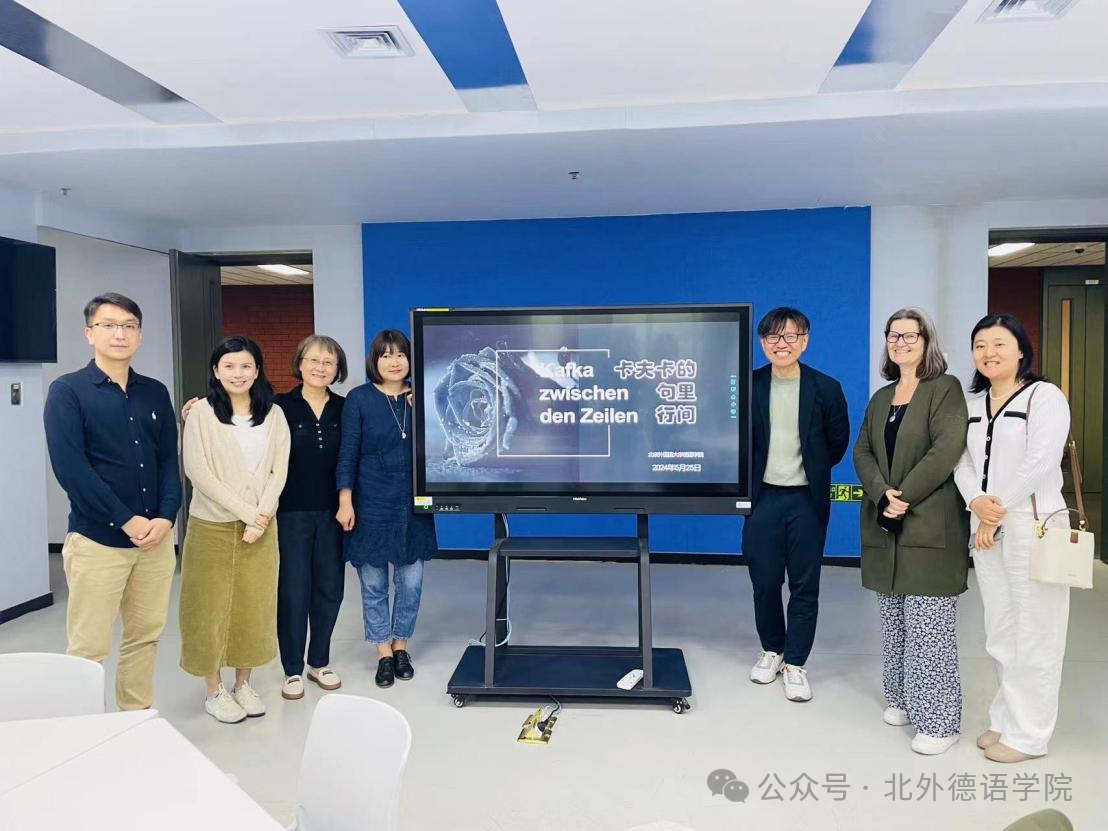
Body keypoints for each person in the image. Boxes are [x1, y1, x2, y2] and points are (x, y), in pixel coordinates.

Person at [44, 293, 181, 710]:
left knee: (145, 637)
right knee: (89, 648)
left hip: (155, 542)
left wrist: (166, 517)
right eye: (109, 325)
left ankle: (134, 717)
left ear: (139, 335)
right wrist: (126, 519)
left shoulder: (154, 392)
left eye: (129, 326)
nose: (120, 334)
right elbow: (72, 469)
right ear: (90, 333)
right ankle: (83, 725)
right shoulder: (68, 391)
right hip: (97, 542)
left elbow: (168, 461)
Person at [954, 313, 1071, 763]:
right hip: (986, 526)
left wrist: (995, 510)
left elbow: (1041, 461)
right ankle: (1005, 720)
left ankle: (1029, 736)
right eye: (980, 344)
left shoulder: (1045, 396)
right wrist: (976, 503)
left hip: (1033, 526)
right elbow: (961, 462)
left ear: (1021, 350)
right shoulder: (973, 404)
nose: (989, 352)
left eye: (999, 343)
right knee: (1000, 630)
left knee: (1037, 632)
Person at [853, 307, 968, 755]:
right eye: (893, 335)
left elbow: (946, 450)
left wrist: (903, 497)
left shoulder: (945, 388)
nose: (900, 342)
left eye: (909, 335)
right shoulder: (882, 396)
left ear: (926, 341)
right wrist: (882, 494)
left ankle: (939, 722)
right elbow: (862, 451)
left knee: (929, 629)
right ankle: (901, 698)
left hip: (928, 522)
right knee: (894, 622)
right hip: (886, 524)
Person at [179, 335, 290, 723]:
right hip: (211, 526)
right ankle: (214, 690)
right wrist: (248, 514)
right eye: (229, 366)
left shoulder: (273, 414)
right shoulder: (201, 413)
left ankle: (244, 683)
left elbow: (279, 470)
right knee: (205, 607)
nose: (237, 373)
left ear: (257, 371)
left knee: (254, 606)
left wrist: (262, 516)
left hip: (262, 527)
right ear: (216, 371)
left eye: (246, 366)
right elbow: (198, 471)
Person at [742, 307, 850, 702]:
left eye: (790, 336)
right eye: (773, 337)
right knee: (765, 581)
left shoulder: (826, 388)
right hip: (763, 498)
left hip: (806, 499)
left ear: (804, 341)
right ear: (762, 342)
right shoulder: (750, 385)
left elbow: (837, 443)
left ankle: (796, 663)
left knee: (805, 585)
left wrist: (810, 470)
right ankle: (772, 649)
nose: (781, 344)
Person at [337, 329, 437, 688]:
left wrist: (422, 411)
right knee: (374, 583)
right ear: (374, 361)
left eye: (400, 354)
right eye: (386, 355)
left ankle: (400, 646)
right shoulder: (359, 399)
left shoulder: (420, 397)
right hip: (370, 503)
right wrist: (345, 500)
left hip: (412, 505)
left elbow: (442, 444)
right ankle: (382, 652)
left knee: (411, 583)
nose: (394, 362)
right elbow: (348, 451)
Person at [273, 336, 349, 700]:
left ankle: (319, 662)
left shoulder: (345, 408)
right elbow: (235, 412)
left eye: (329, 362)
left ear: (337, 369)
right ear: (300, 364)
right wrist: (197, 408)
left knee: (330, 589)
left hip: (334, 513)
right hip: (290, 513)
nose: (321, 367)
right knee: (293, 590)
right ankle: (292, 669)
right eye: (314, 360)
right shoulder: (278, 406)